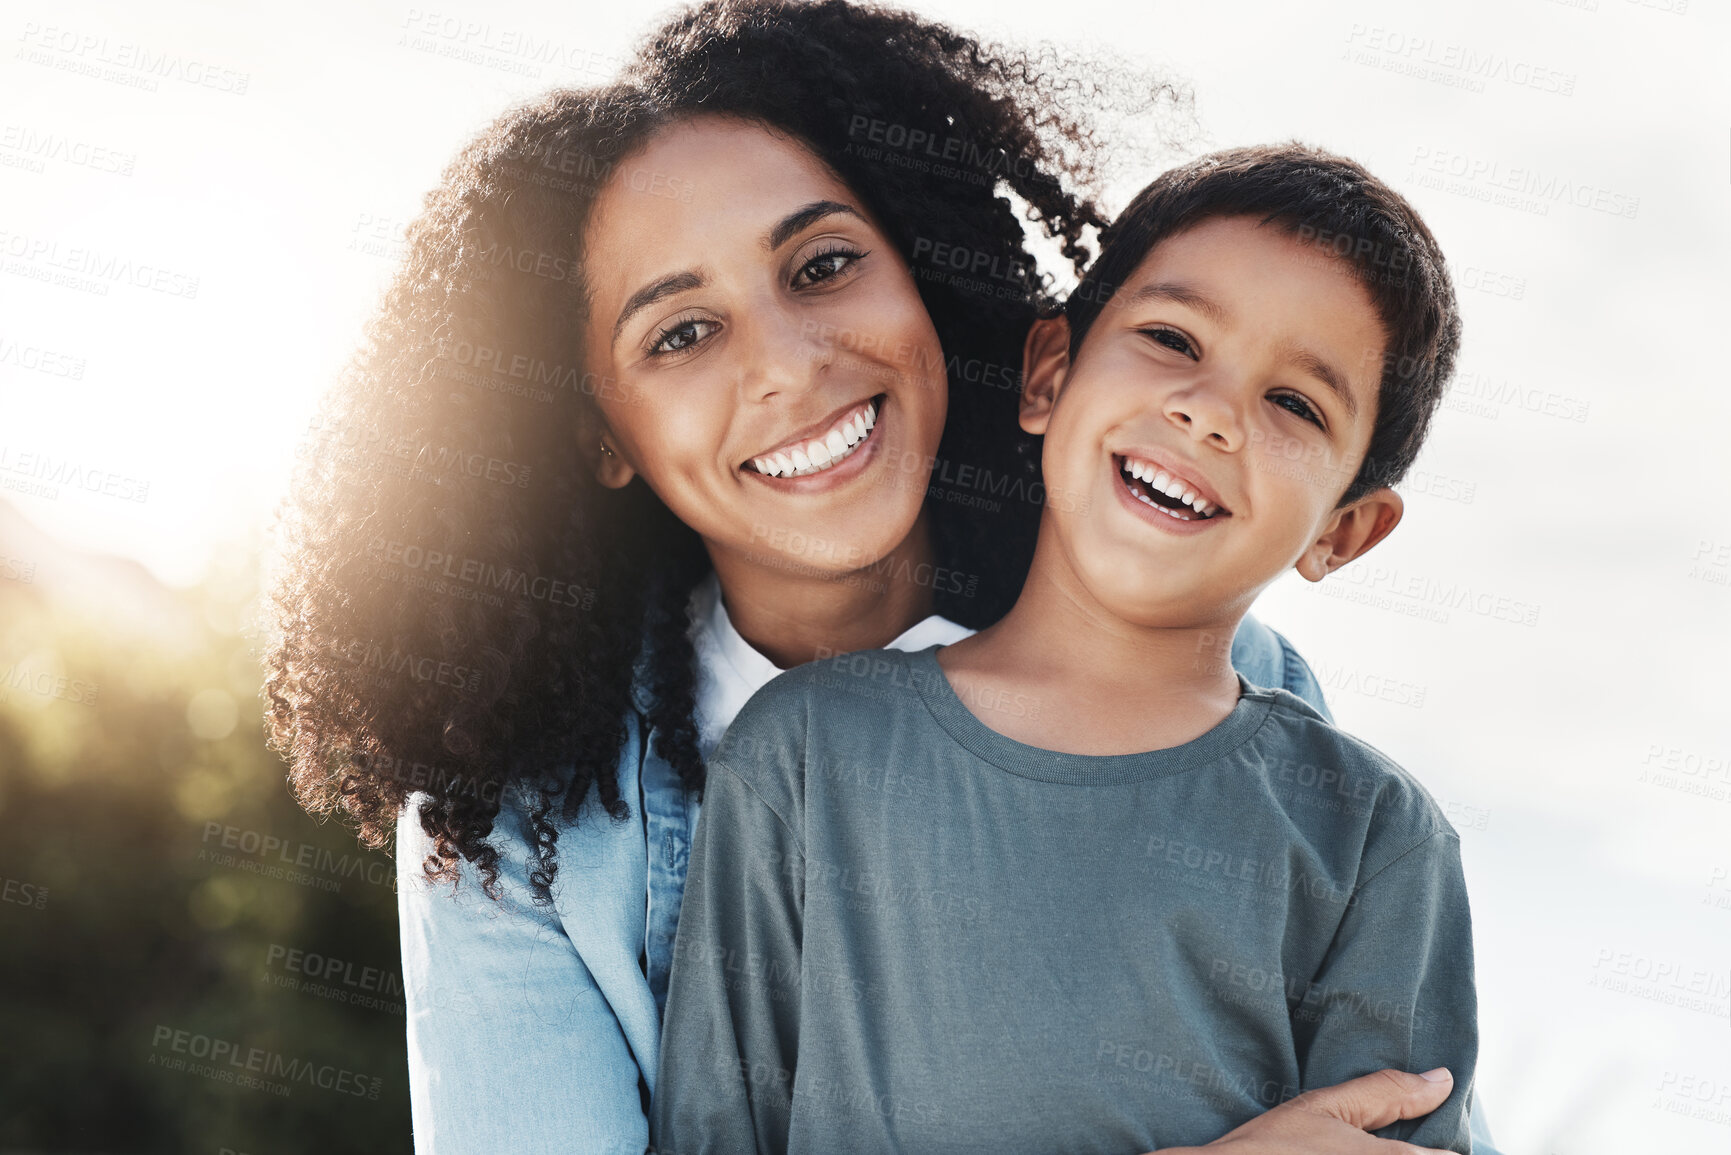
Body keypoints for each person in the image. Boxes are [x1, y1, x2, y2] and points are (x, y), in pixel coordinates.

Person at [261, 2, 1500, 1152]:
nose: (790, 366)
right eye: (680, 334)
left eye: (823, 267)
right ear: (597, 432)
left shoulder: (1252, 700)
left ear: (924, 269)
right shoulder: (512, 838)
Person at [652, 143, 1479, 1154]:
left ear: (1342, 532)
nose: (1209, 412)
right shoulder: (803, 758)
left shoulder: (1373, 840)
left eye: (1295, 404)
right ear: (1048, 373)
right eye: (1174, 339)